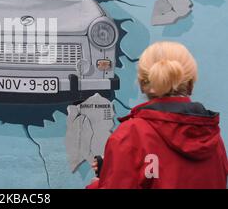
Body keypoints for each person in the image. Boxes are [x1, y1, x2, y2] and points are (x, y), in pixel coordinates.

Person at [87, 41, 228, 189]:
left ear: (142, 85)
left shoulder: (129, 136)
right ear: (191, 84)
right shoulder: (213, 140)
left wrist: (100, 183)